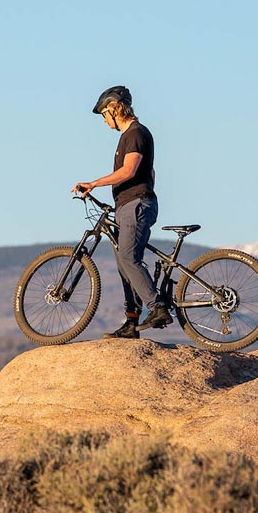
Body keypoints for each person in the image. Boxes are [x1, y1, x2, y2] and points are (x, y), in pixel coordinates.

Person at [72, 85, 170, 339]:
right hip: (129, 204)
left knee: (128, 257)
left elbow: (129, 171)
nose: (104, 120)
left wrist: (93, 183)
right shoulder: (128, 136)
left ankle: (158, 307)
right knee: (125, 265)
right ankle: (132, 323)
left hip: (135, 205)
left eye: (105, 114)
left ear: (115, 109)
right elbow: (151, 173)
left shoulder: (135, 133)